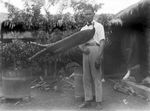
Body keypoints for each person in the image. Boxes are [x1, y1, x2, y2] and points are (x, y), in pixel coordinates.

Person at [78, 6, 105, 109]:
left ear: (93, 14)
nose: (87, 15)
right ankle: (87, 100)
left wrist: (99, 57)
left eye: (89, 13)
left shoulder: (99, 26)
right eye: (86, 14)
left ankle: (98, 102)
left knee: (97, 76)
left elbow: (102, 42)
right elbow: (79, 43)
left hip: (95, 50)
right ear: (84, 16)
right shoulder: (83, 29)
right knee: (86, 77)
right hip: (86, 52)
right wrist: (82, 49)